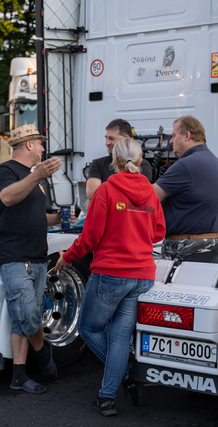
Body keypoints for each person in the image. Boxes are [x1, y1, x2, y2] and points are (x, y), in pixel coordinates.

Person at [56, 138, 166, 416]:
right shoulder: (151, 193)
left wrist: (66, 257)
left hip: (112, 273)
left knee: (89, 328)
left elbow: (89, 238)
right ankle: (107, 397)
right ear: (140, 161)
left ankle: (123, 377)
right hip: (142, 275)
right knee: (119, 338)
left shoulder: (106, 190)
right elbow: (158, 233)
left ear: (113, 162)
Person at [0, 124, 62, 394]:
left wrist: (57, 218)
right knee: (28, 315)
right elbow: (8, 198)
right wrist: (37, 176)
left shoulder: (33, 178)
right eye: (40, 144)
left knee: (21, 320)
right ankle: (44, 355)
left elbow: (36, 215)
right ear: (29, 145)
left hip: (37, 256)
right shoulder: (5, 171)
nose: (43, 149)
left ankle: (18, 376)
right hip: (15, 256)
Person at [153, 115, 218, 260]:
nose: (171, 141)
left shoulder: (186, 164)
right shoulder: (212, 159)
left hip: (186, 248)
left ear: (187, 136)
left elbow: (150, 196)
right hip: (213, 244)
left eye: (174, 135)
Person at [86, 119, 153, 205]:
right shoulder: (98, 164)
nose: (107, 143)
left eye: (111, 139)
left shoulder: (143, 165)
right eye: (106, 138)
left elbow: (141, 196)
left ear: (126, 139)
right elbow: (91, 194)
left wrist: (104, 195)